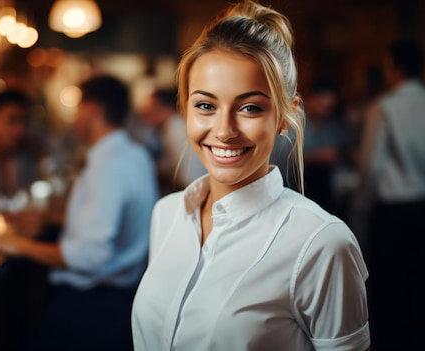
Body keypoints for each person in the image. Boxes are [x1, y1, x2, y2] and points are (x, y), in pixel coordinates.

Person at [131, 1, 371, 351]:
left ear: (285, 117)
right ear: (186, 108)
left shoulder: (321, 243)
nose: (224, 130)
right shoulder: (166, 214)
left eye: (250, 108)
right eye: (205, 105)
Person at [0, 75, 159, 350]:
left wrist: (16, 245)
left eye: (77, 108)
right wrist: (48, 217)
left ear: (91, 111)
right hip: (119, 300)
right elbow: (113, 220)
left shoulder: (108, 167)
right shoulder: (134, 154)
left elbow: (89, 255)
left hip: (92, 309)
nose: (75, 118)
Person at [354, 38, 425, 350]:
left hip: (391, 213)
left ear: (393, 69)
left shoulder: (383, 107)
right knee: (422, 285)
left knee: (389, 292)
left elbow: (371, 166)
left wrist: (359, 211)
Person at [140, 88, 207, 195]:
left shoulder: (177, 130)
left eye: (153, 106)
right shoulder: (167, 129)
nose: (148, 111)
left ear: (167, 108)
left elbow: (188, 178)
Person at [302, 78, 350, 216]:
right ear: (309, 99)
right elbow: (280, 161)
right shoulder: (293, 126)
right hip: (297, 188)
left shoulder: (335, 127)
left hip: (327, 189)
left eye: (331, 98)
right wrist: (316, 157)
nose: (327, 102)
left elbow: (343, 152)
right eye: (322, 97)